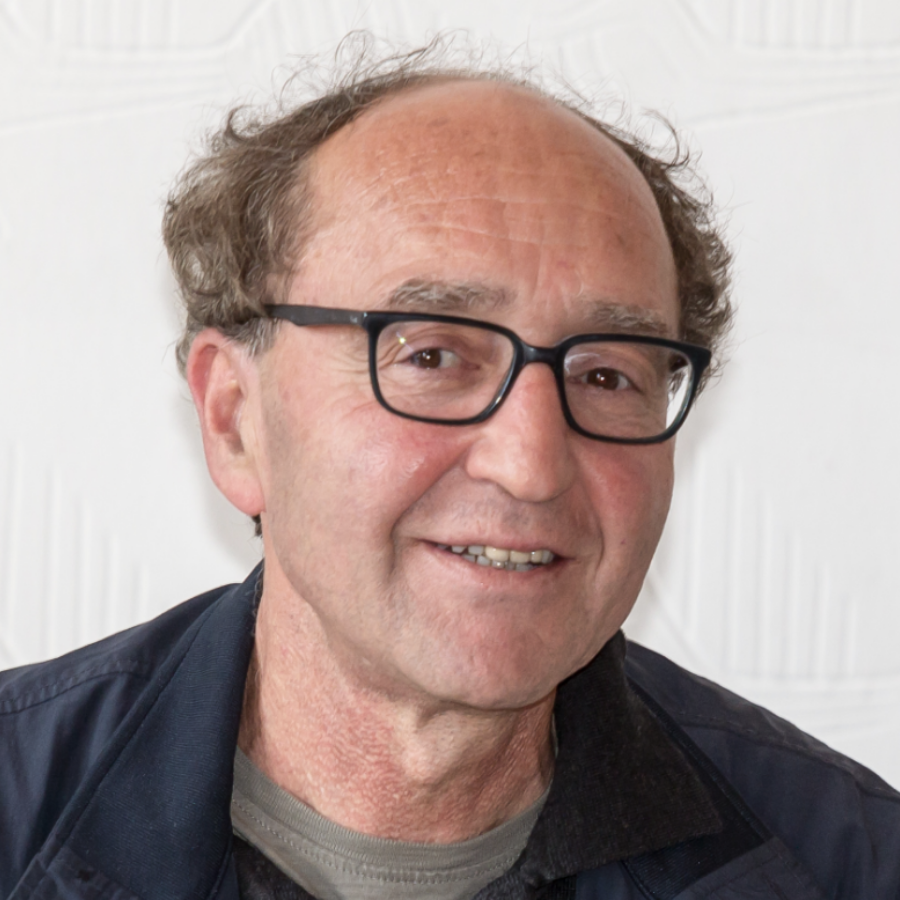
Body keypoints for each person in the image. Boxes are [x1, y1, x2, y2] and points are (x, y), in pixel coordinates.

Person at [1, 44, 898, 900]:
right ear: (235, 421)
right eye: (431, 356)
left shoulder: (855, 864)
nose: (531, 466)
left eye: (605, 374)